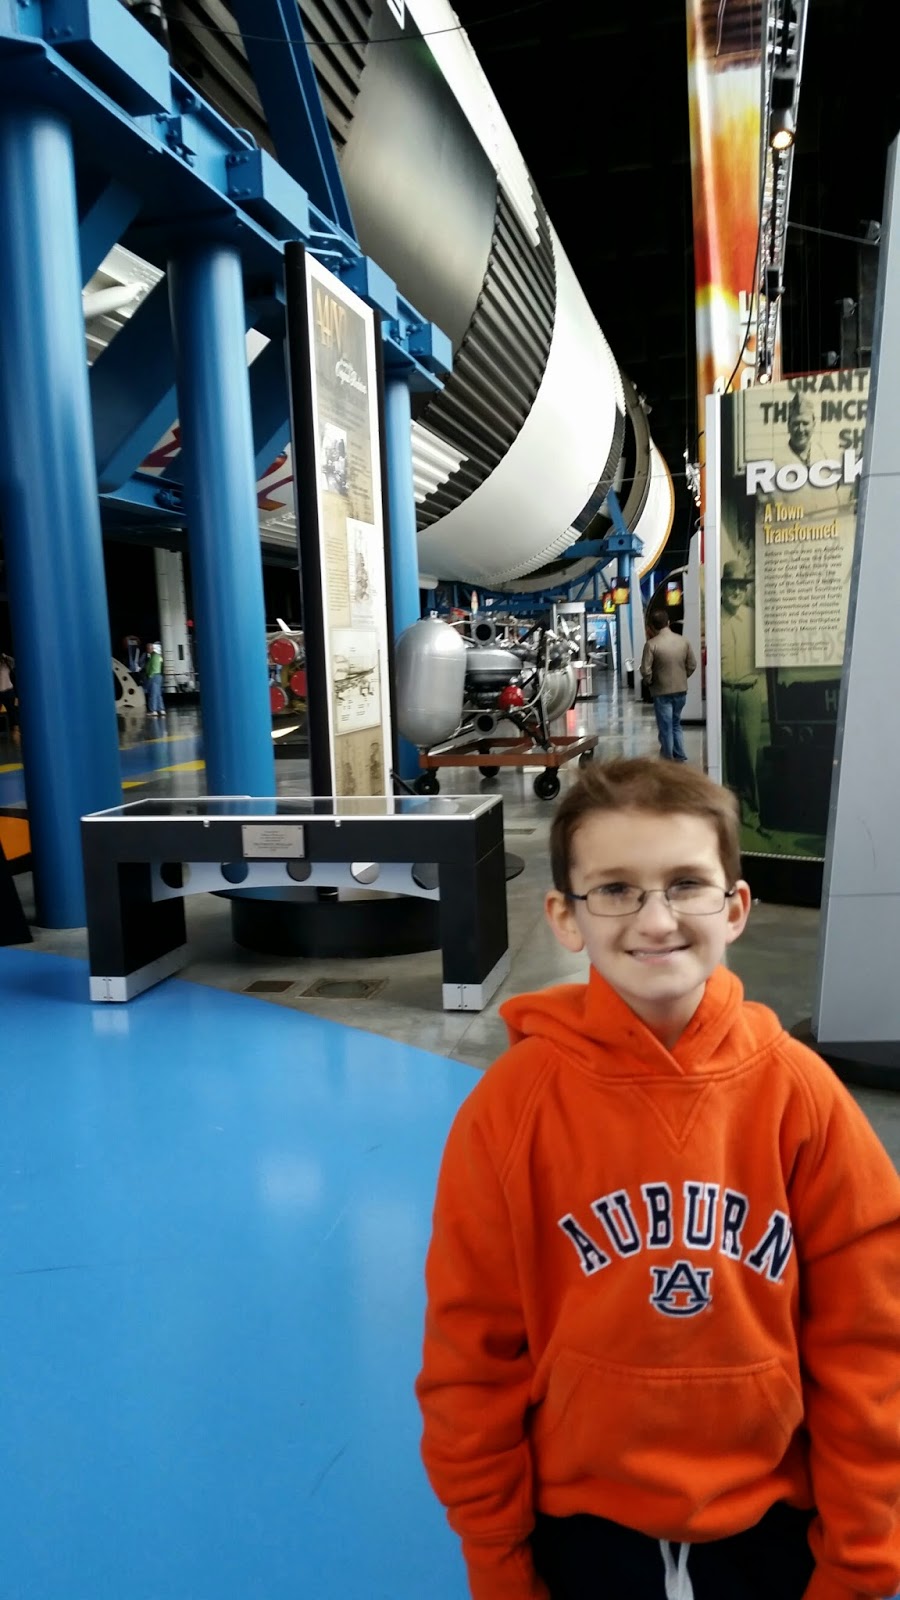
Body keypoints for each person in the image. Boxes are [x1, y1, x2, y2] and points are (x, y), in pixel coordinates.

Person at [416, 757, 900, 1600]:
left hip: (773, 1523)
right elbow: (471, 1356)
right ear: (566, 916)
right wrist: (496, 1557)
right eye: (615, 889)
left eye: (686, 884)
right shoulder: (510, 1111)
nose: (656, 919)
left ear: (735, 906)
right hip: (581, 1528)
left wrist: (859, 1562)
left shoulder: (803, 1100)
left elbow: (868, 1349)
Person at [720, 562, 767, 831]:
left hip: (749, 694)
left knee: (749, 756)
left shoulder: (752, 618)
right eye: (732, 586)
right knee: (726, 757)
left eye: (741, 586)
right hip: (725, 694)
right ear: (723, 589)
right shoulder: (715, 620)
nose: (737, 591)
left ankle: (752, 813)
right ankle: (728, 812)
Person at [640, 610, 696, 762]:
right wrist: (683, 676)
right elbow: (692, 664)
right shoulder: (683, 641)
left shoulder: (651, 645)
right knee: (676, 723)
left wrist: (650, 681)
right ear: (668, 623)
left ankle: (667, 757)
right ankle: (680, 754)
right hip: (681, 690)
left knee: (666, 727)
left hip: (661, 691)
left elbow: (645, 670)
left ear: (652, 626)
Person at [144, 642, 165, 717]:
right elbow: (161, 666)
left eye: (148, 648)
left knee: (153, 694)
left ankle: (153, 710)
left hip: (153, 676)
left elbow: (152, 668)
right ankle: (161, 709)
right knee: (158, 694)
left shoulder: (153, 656)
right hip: (159, 676)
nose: (147, 650)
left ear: (151, 648)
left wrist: (149, 676)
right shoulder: (157, 656)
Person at [0, 650, 17, 734]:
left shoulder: (6, 664)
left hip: (8, 690)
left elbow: (13, 662)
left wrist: (5, 657)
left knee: (12, 711)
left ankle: (15, 730)